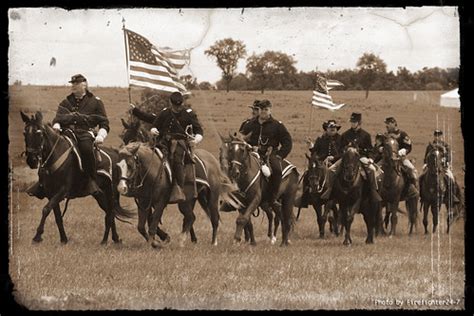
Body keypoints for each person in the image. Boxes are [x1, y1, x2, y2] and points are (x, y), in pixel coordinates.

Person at [52, 74, 109, 195]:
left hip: (84, 134)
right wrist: (56, 124)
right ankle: (43, 182)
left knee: (87, 149)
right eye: (72, 84)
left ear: (84, 85)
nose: (73, 86)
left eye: (76, 84)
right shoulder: (65, 102)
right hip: (66, 133)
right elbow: (57, 118)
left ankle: (91, 180)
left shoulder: (96, 102)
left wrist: (100, 135)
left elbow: (104, 122)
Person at [149, 91, 203, 203]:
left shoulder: (188, 113)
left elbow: (199, 130)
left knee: (176, 159)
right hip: (163, 142)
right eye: (175, 106)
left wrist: (196, 140)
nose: (177, 108)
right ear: (171, 103)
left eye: (179, 105)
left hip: (180, 143)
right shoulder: (165, 113)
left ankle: (177, 187)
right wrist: (153, 130)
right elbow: (155, 125)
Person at [240, 99, 292, 210]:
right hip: (251, 153)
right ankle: (235, 196)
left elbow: (287, 142)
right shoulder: (250, 124)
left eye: (266, 109)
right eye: (261, 109)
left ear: (270, 110)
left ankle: (272, 199)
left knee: (277, 170)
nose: (263, 112)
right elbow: (241, 139)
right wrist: (247, 146)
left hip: (269, 154)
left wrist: (279, 155)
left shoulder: (277, 125)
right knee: (236, 166)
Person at [420, 129, 460, 203]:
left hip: (443, 167)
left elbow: (449, 157)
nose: (437, 137)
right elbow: (426, 156)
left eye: (439, 135)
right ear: (434, 136)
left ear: (441, 136)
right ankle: (421, 194)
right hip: (431, 167)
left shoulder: (446, 145)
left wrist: (445, 160)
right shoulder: (430, 146)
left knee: (451, 179)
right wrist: (425, 163)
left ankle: (452, 196)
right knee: (421, 177)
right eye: (436, 135)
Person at [383, 116, 418, 198]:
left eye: (388, 124)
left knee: (413, 172)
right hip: (387, 160)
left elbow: (409, 146)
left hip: (401, 159)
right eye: (386, 124)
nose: (386, 126)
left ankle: (412, 191)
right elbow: (379, 146)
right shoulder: (385, 135)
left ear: (394, 124)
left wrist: (403, 151)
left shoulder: (402, 134)